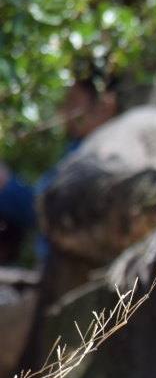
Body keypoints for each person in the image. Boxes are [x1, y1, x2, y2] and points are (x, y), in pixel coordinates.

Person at [0, 76, 118, 263]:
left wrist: (6, 185)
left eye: (73, 101)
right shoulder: (75, 148)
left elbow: (42, 212)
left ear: (106, 104)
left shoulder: (102, 156)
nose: (65, 111)